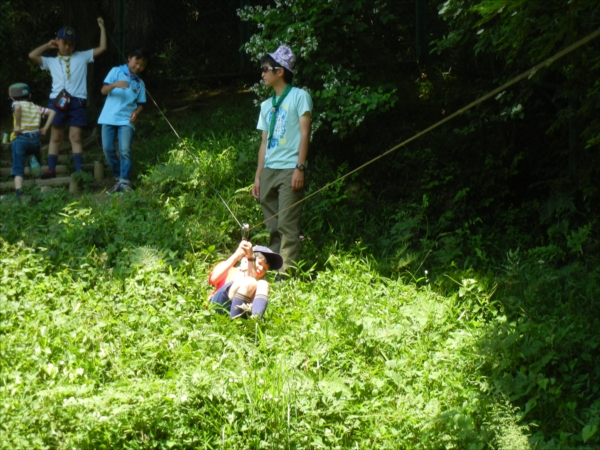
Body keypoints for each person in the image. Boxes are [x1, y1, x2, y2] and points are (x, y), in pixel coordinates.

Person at [252, 45, 313, 274]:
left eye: (266, 69)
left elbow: (305, 133)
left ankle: (286, 276)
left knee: (287, 223)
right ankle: (274, 268)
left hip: (290, 169)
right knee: (272, 226)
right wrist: (258, 176)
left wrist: (300, 167)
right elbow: (264, 143)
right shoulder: (266, 105)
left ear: (280, 71)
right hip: (269, 170)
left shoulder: (300, 96)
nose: (262, 74)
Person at [28, 18, 107, 179]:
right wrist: (47, 45)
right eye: (64, 42)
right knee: (56, 136)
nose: (68, 46)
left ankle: (79, 171)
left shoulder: (83, 56)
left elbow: (103, 47)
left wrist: (102, 28)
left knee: (75, 136)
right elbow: (32, 55)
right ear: (57, 41)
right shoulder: (51, 61)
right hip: (57, 102)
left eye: (71, 43)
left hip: (77, 101)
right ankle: (51, 170)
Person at [98, 48, 149, 194]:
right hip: (108, 117)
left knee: (125, 150)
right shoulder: (116, 71)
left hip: (126, 120)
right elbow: (103, 90)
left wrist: (137, 113)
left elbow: (142, 105)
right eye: (136, 62)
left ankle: (125, 182)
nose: (138, 67)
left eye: (142, 65)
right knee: (108, 149)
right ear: (129, 58)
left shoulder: (140, 83)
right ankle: (118, 178)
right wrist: (115, 85)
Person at [208, 240, 283, 319]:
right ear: (246, 258)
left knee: (263, 284)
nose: (261, 268)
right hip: (219, 304)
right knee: (250, 282)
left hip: (241, 307)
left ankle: (255, 320)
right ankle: (236, 322)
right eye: (259, 263)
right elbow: (213, 279)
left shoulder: (257, 286)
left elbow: (252, 281)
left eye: (265, 268)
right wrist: (239, 256)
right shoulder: (230, 268)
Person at [7, 83, 56, 198]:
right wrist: (45, 128)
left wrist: (18, 126)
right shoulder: (36, 107)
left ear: (12, 98)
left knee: (18, 165)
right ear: (30, 96)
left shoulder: (16, 104)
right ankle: (33, 161)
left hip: (21, 138)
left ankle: (19, 191)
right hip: (35, 138)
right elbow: (52, 112)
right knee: (33, 154)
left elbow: (18, 108)